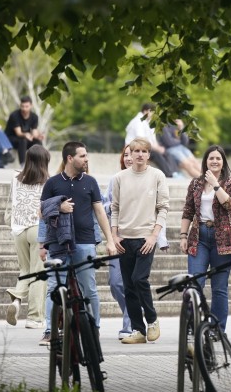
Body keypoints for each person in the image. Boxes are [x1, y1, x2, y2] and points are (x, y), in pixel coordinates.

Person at [38, 141, 117, 345]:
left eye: (86, 155)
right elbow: (40, 212)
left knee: (89, 288)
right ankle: (49, 330)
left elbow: (100, 212)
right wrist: (58, 206)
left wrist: (109, 240)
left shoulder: (90, 182)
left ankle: (94, 328)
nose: (86, 159)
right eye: (82, 156)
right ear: (69, 158)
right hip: (58, 244)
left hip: (85, 242)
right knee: (54, 287)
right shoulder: (52, 183)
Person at [103, 144, 169, 340]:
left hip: (145, 238)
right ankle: (138, 330)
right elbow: (114, 208)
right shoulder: (119, 178)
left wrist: (154, 236)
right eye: (136, 151)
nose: (139, 155)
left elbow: (163, 208)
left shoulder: (157, 175)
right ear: (129, 155)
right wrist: (114, 236)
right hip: (124, 238)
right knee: (128, 286)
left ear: (149, 155)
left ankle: (152, 319)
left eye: (144, 151)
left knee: (139, 279)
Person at [179, 145, 231, 332]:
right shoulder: (196, 184)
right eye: (211, 158)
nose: (214, 161)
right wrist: (183, 236)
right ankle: (193, 325)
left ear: (223, 162)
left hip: (223, 240)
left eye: (218, 158)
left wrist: (215, 184)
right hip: (199, 237)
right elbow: (188, 211)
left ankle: (217, 328)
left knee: (219, 287)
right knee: (195, 283)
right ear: (205, 161)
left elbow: (229, 204)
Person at [5, 145, 50, 329]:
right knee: (39, 273)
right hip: (37, 229)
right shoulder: (48, 181)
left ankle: (16, 300)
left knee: (25, 269)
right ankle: (34, 318)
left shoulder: (15, 178)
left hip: (18, 229)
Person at [125, 103, 179, 178]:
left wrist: (158, 147)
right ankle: (169, 174)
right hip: (133, 147)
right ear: (146, 111)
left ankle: (175, 172)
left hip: (144, 147)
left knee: (167, 153)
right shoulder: (138, 122)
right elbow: (141, 140)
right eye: (153, 112)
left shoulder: (148, 122)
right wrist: (156, 148)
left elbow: (153, 139)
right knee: (156, 154)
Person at [5, 96, 45, 166]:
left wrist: (38, 136)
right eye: (22, 106)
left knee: (38, 142)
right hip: (11, 139)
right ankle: (23, 165)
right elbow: (18, 133)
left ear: (31, 106)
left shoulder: (34, 117)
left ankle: (39, 164)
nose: (24, 109)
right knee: (23, 140)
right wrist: (26, 135)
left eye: (26, 106)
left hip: (25, 139)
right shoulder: (14, 115)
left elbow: (34, 132)